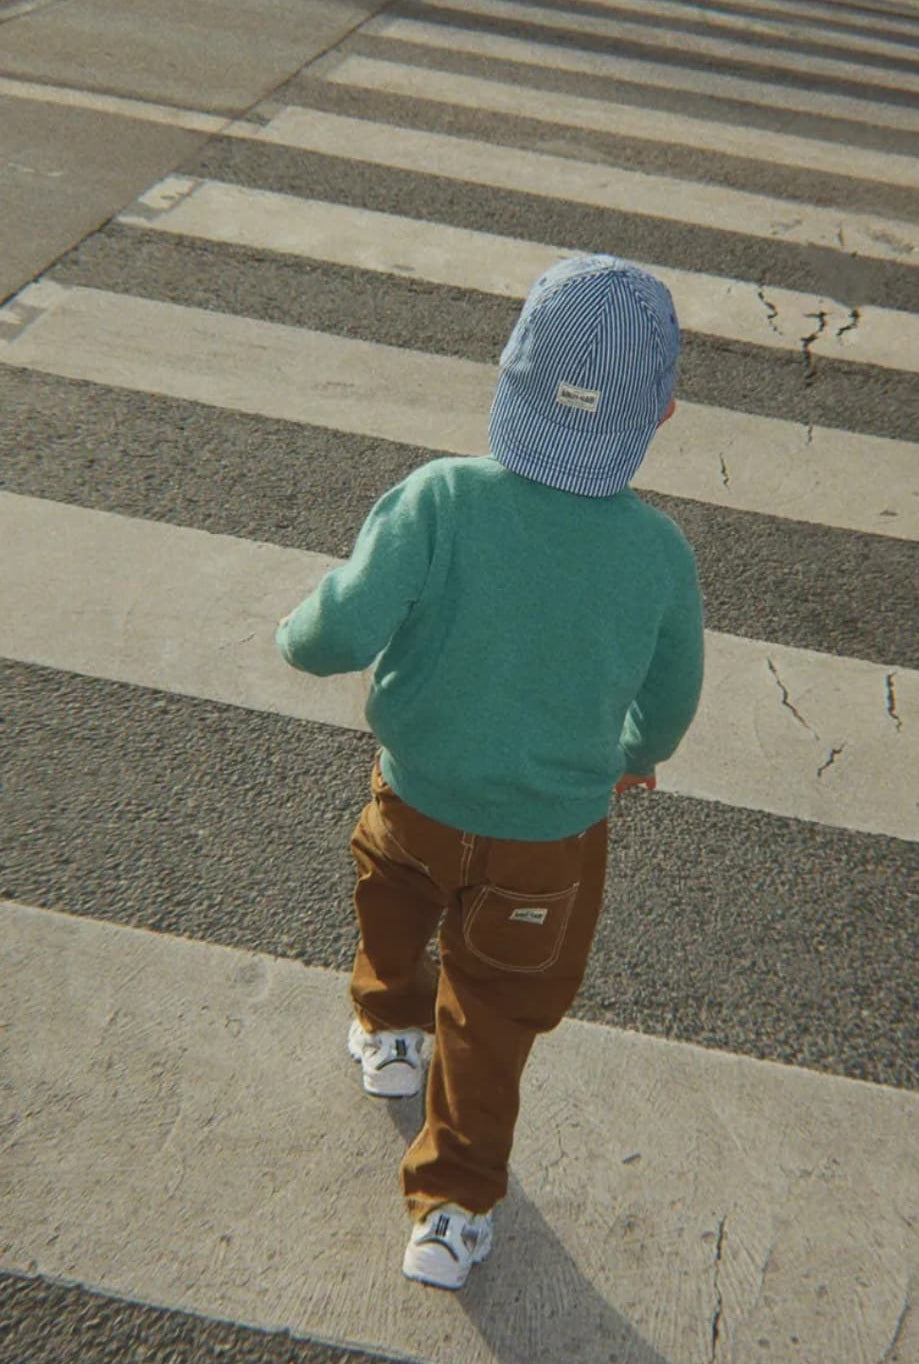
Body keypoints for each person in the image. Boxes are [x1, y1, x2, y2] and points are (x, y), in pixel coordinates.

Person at [276, 254, 704, 1290]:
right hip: (549, 839)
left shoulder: (439, 500)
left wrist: (299, 635)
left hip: (419, 791)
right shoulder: (657, 554)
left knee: (392, 894)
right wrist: (634, 754)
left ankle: (385, 1023)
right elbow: (671, 697)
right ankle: (455, 1208)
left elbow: (338, 627)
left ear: (508, 375)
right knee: (498, 1010)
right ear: (662, 414)